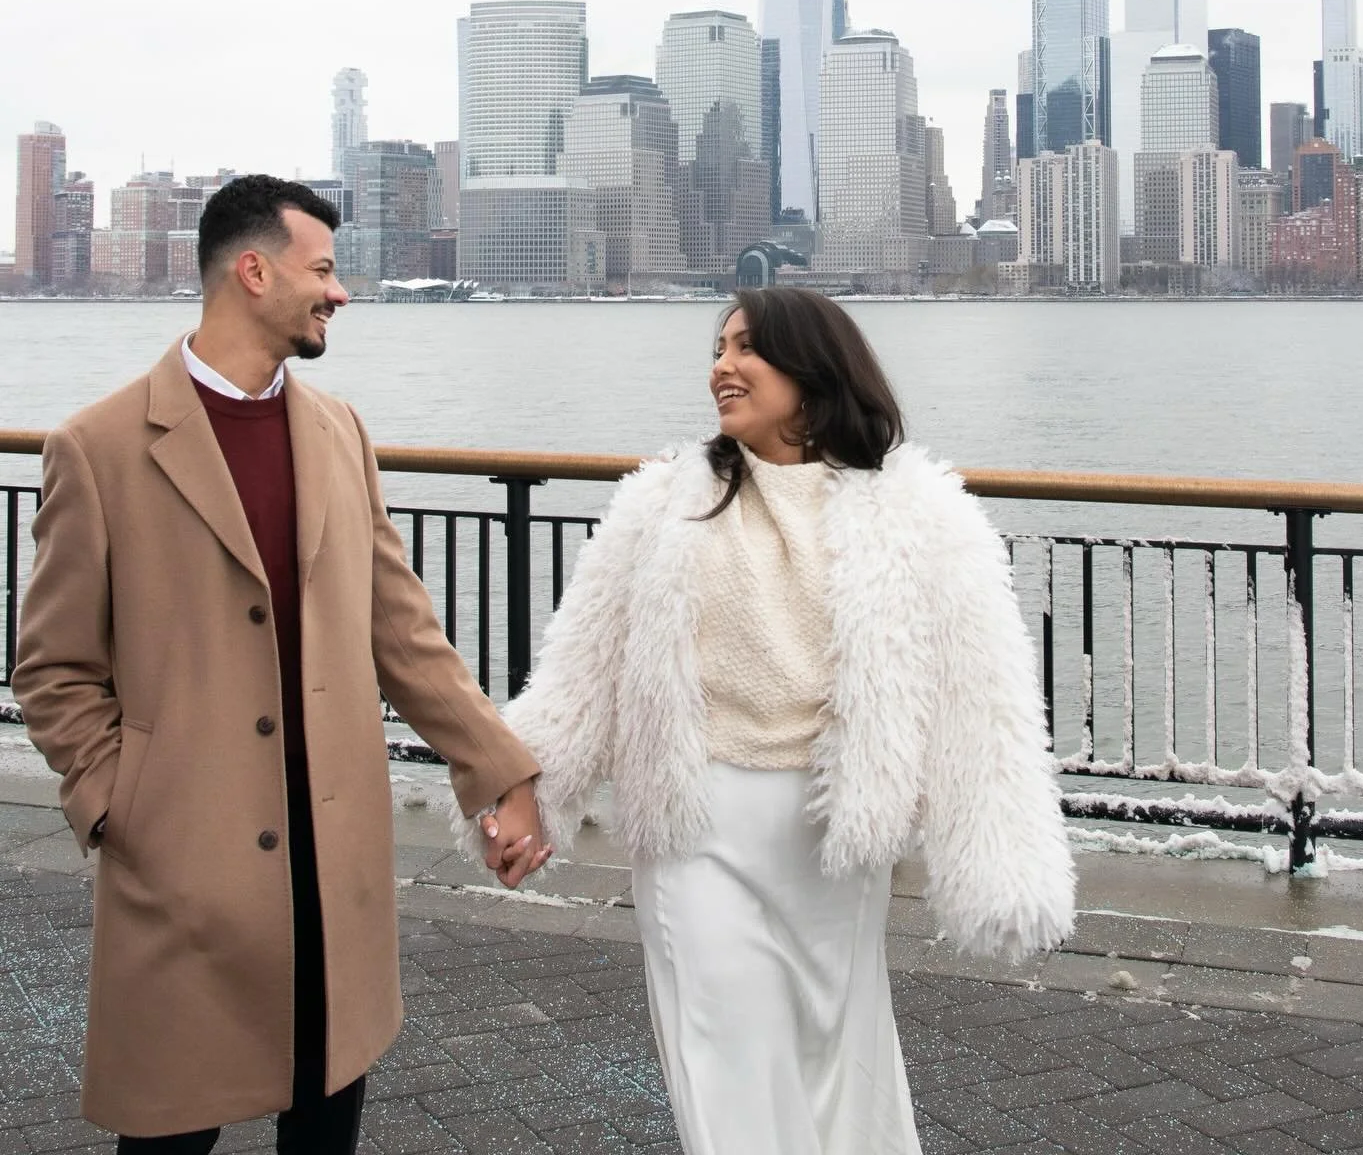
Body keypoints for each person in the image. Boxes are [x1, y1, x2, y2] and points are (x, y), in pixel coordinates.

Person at [456, 286, 1076, 1155]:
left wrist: (1003, 861)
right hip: (696, 821)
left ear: (812, 370)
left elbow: (986, 696)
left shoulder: (921, 514)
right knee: (729, 1060)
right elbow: (583, 665)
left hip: (835, 833)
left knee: (838, 1058)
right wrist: (521, 792)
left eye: (747, 348)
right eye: (717, 347)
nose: (722, 366)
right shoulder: (661, 504)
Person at [14, 174, 550, 1151]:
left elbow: (404, 634)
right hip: (184, 858)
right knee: (172, 1126)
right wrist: (119, 803)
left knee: (326, 1115)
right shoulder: (99, 449)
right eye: (324, 269)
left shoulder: (338, 432)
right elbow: (52, 668)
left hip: (331, 853)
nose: (340, 292)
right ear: (254, 272)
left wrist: (500, 773)